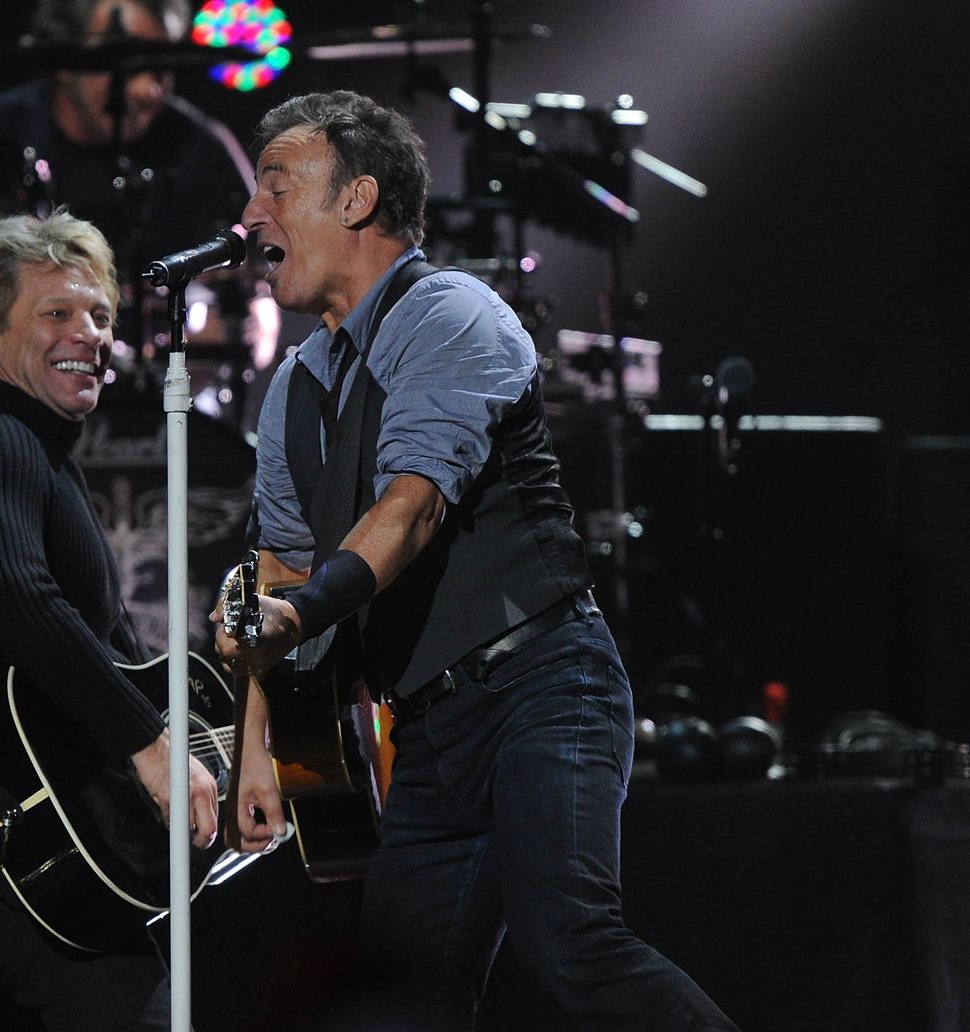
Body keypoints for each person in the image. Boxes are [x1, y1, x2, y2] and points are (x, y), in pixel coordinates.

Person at [211, 91, 740, 1031]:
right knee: (399, 1005)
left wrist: (298, 614)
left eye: (277, 189)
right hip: (430, 737)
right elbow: (280, 576)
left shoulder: (452, 314)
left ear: (359, 199)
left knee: (570, 939)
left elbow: (408, 513)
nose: (251, 217)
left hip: (543, 686)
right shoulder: (291, 389)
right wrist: (259, 748)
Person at [0, 209, 218, 1031]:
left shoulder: (38, 459)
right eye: (57, 313)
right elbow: (21, 601)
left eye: (101, 314)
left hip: (48, 847)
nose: (92, 333)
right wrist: (151, 745)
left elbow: (109, 655)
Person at [0, 0, 273, 423]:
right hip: (9, 404)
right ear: (62, 61)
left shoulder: (201, 150)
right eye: (130, 66)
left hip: (162, 412)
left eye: (162, 65)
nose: (147, 89)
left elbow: (259, 291)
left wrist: (246, 321)